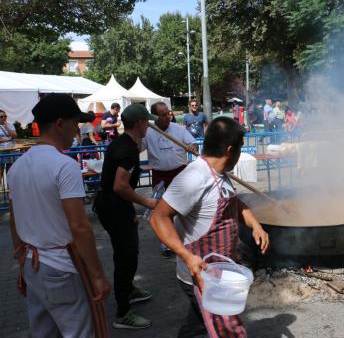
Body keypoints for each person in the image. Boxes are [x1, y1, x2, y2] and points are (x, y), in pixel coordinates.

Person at [149, 117, 269, 338]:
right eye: (241, 149)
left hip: (221, 270)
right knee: (230, 332)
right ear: (230, 150)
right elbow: (158, 218)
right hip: (205, 277)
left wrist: (255, 225)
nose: (241, 154)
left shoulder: (220, 175)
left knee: (197, 326)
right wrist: (186, 256)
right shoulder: (195, 177)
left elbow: (233, 201)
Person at [7, 94, 110, 337]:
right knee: (80, 331)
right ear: (60, 123)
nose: (78, 129)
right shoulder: (65, 166)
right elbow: (79, 226)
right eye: (75, 122)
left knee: (44, 331)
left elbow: (14, 219)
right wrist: (97, 275)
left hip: (33, 263)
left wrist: (21, 260)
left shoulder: (18, 166)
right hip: (61, 265)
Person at [94, 104, 159, 329]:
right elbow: (120, 186)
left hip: (116, 206)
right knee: (126, 256)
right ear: (140, 123)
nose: (150, 125)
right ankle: (123, 313)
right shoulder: (127, 150)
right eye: (147, 122)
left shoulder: (125, 143)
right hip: (114, 208)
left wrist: (130, 210)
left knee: (129, 252)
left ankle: (129, 289)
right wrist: (148, 202)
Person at [142, 102, 197, 258]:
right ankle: (166, 243)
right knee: (161, 211)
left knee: (183, 209)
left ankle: (185, 239)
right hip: (159, 176)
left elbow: (192, 143)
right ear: (154, 117)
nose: (168, 116)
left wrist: (193, 147)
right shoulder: (148, 132)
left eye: (168, 113)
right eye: (163, 114)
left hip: (179, 175)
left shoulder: (178, 129)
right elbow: (136, 147)